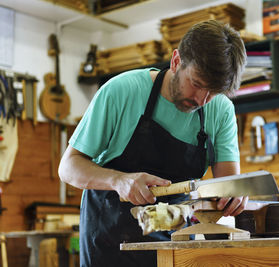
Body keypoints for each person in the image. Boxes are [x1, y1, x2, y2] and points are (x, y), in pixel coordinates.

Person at [58, 20, 247, 267]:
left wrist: (235, 196)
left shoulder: (220, 110)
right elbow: (68, 167)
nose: (202, 99)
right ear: (176, 61)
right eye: (197, 84)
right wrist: (118, 180)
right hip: (110, 243)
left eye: (213, 92)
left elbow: (227, 187)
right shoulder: (121, 92)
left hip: (175, 244)